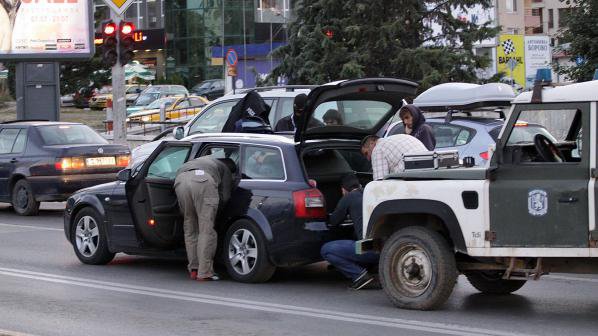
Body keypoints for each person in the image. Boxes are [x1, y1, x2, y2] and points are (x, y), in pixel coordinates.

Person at [174, 156, 237, 281]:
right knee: (206, 230)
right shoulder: (225, 169)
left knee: (190, 227)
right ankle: (205, 272)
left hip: (180, 180)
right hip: (202, 181)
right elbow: (224, 197)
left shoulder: (205, 159)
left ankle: (194, 269)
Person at [321, 174, 379, 290]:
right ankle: (373, 269)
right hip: (386, 246)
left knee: (327, 250)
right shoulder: (370, 194)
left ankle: (360, 276)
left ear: (343, 189)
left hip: (368, 250)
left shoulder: (349, 197)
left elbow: (334, 221)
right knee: (355, 236)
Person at [361, 134, 427, 180]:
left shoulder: (378, 149)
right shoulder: (399, 137)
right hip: (430, 173)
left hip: (412, 178)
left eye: (366, 153)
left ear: (372, 143)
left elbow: (380, 183)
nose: (368, 158)